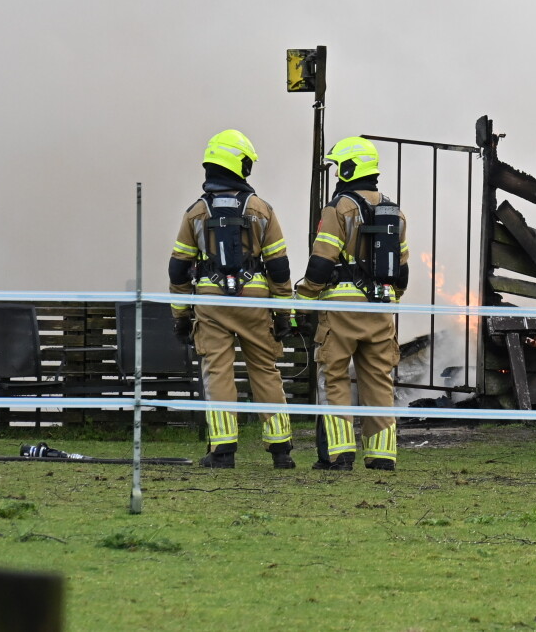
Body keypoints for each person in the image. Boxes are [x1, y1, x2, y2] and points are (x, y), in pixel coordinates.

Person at [169, 129, 295, 469]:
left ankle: (223, 450)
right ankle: (281, 450)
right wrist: (284, 313)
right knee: (265, 370)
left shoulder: (196, 212)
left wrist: (180, 316)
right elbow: (279, 266)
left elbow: (178, 269)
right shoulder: (261, 209)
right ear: (240, 165)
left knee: (218, 371)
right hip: (255, 300)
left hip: (211, 302)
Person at [296, 136, 408, 472]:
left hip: (342, 308)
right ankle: (382, 456)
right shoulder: (395, 212)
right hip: (381, 308)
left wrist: (304, 300)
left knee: (334, 377)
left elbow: (321, 263)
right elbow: (402, 273)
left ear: (349, 168)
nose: (335, 174)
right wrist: (389, 299)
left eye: (337, 167)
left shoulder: (338, 209)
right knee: (379, 380)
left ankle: (339, 454)